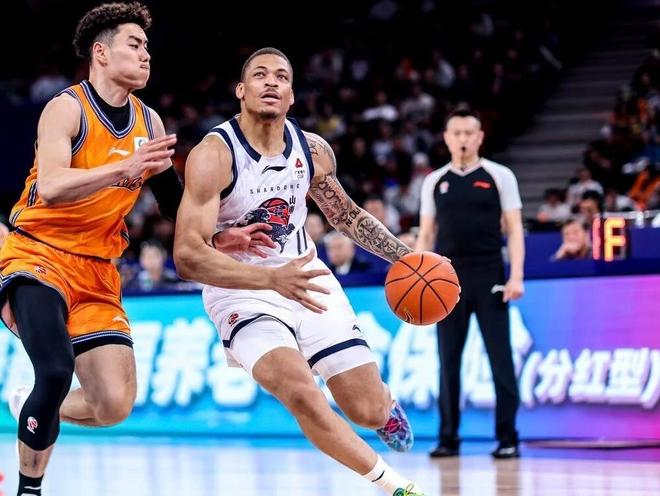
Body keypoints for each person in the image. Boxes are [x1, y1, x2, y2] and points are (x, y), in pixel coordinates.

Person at [0, 4, 269, 495]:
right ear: (101, 53)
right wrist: (124, 168)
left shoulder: (149, 121)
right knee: (56, 371)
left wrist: (216, 237)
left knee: (114, 404)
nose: (147, 54)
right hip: (39, 254)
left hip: (98, 270)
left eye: (147, 47)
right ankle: (28, 488)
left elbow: (172, 204)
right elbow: (53, 186)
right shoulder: (67, 108)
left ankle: (31, 405)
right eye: (135, 44)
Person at [174, 47, 430, 496]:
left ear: (292, 95)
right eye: (260, 75)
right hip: (240, 290)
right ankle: (397, 486)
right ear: (241, 90)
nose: (271, 82)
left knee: (366, 409)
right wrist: (268, 278)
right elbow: (186, 257)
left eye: (281, 76)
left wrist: (407, 258)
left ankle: (385, 406)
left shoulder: (312, 150)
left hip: (307, 276)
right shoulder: (214, 154)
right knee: (302, 394)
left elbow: (346, 216)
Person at [416, 107, 525, 459]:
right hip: (446, 282)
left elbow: (515, 230)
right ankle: (448, 438)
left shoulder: (500, 175)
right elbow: (426, 234)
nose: (463, 138)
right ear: (447, 138)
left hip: (490, 276)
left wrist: (516, 276)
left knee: (501, 360)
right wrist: (417, 275)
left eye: (469, 133)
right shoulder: (434, 181)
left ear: (480, 137)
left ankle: (508, 437)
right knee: (447, 361)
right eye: (457, 133)